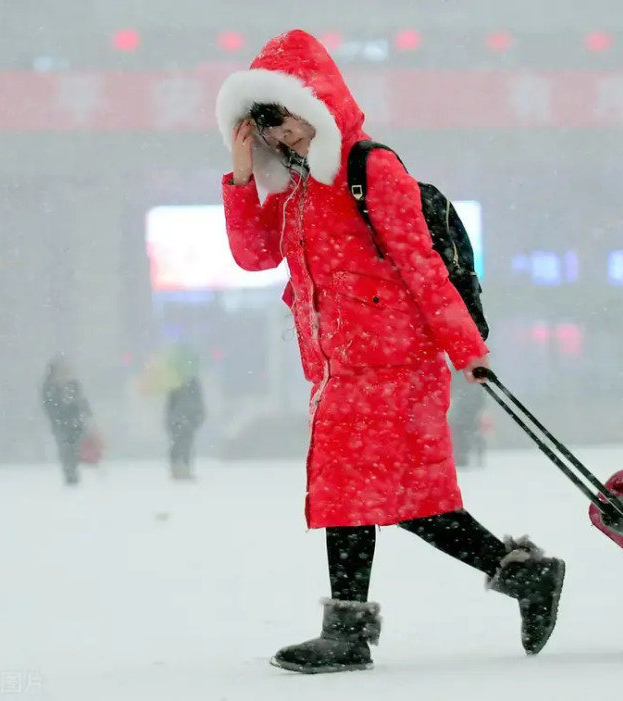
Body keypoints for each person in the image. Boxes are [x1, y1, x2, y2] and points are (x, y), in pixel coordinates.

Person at [216, 29, 565, 674]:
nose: (283, 136)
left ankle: (347, 632)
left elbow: (423, 266)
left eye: (288, 118)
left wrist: (468, 349)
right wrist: (242, 179)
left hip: (397, 366)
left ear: (318, 104)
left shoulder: (370, 169)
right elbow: (254, 255)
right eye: (267, 126)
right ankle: (522, 573)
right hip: (340, 369)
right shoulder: (296, 190)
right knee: (408, 501)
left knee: (352, 492)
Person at [40, 355, 96, 486]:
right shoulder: (50, 387)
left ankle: (76, 472)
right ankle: (70, 477)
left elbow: (82, 402)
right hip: (62, 425)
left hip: (76, 423)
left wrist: (86, 414)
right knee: (66, 450)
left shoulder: (72, 384)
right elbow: (50, 407)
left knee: (76, 448)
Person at [165, 368, 205, 481]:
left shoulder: (176, 383)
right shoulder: (192, 383)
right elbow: (198, 402)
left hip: (181, 419)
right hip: (186, 418)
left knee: (180, 444)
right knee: (184, 444)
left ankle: (179, 467)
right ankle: (182, 468)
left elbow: (170, 405)